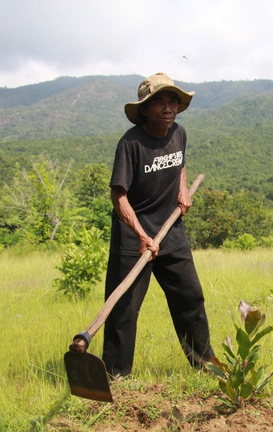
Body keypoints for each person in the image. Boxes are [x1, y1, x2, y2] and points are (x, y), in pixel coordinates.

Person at [89, 72, 214, 378]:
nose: (168, 107)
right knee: (123, 310)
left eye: (173, 100)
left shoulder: (179, 134)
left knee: (190, 297)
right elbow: (118, 197)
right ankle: (116, 375)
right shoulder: (130, 144)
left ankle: (205, 365)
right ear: (144, 109)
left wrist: (183, 189)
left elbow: (180, 165)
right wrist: (143, 236)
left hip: (171, 232)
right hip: (133, 239)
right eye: (159, 102)